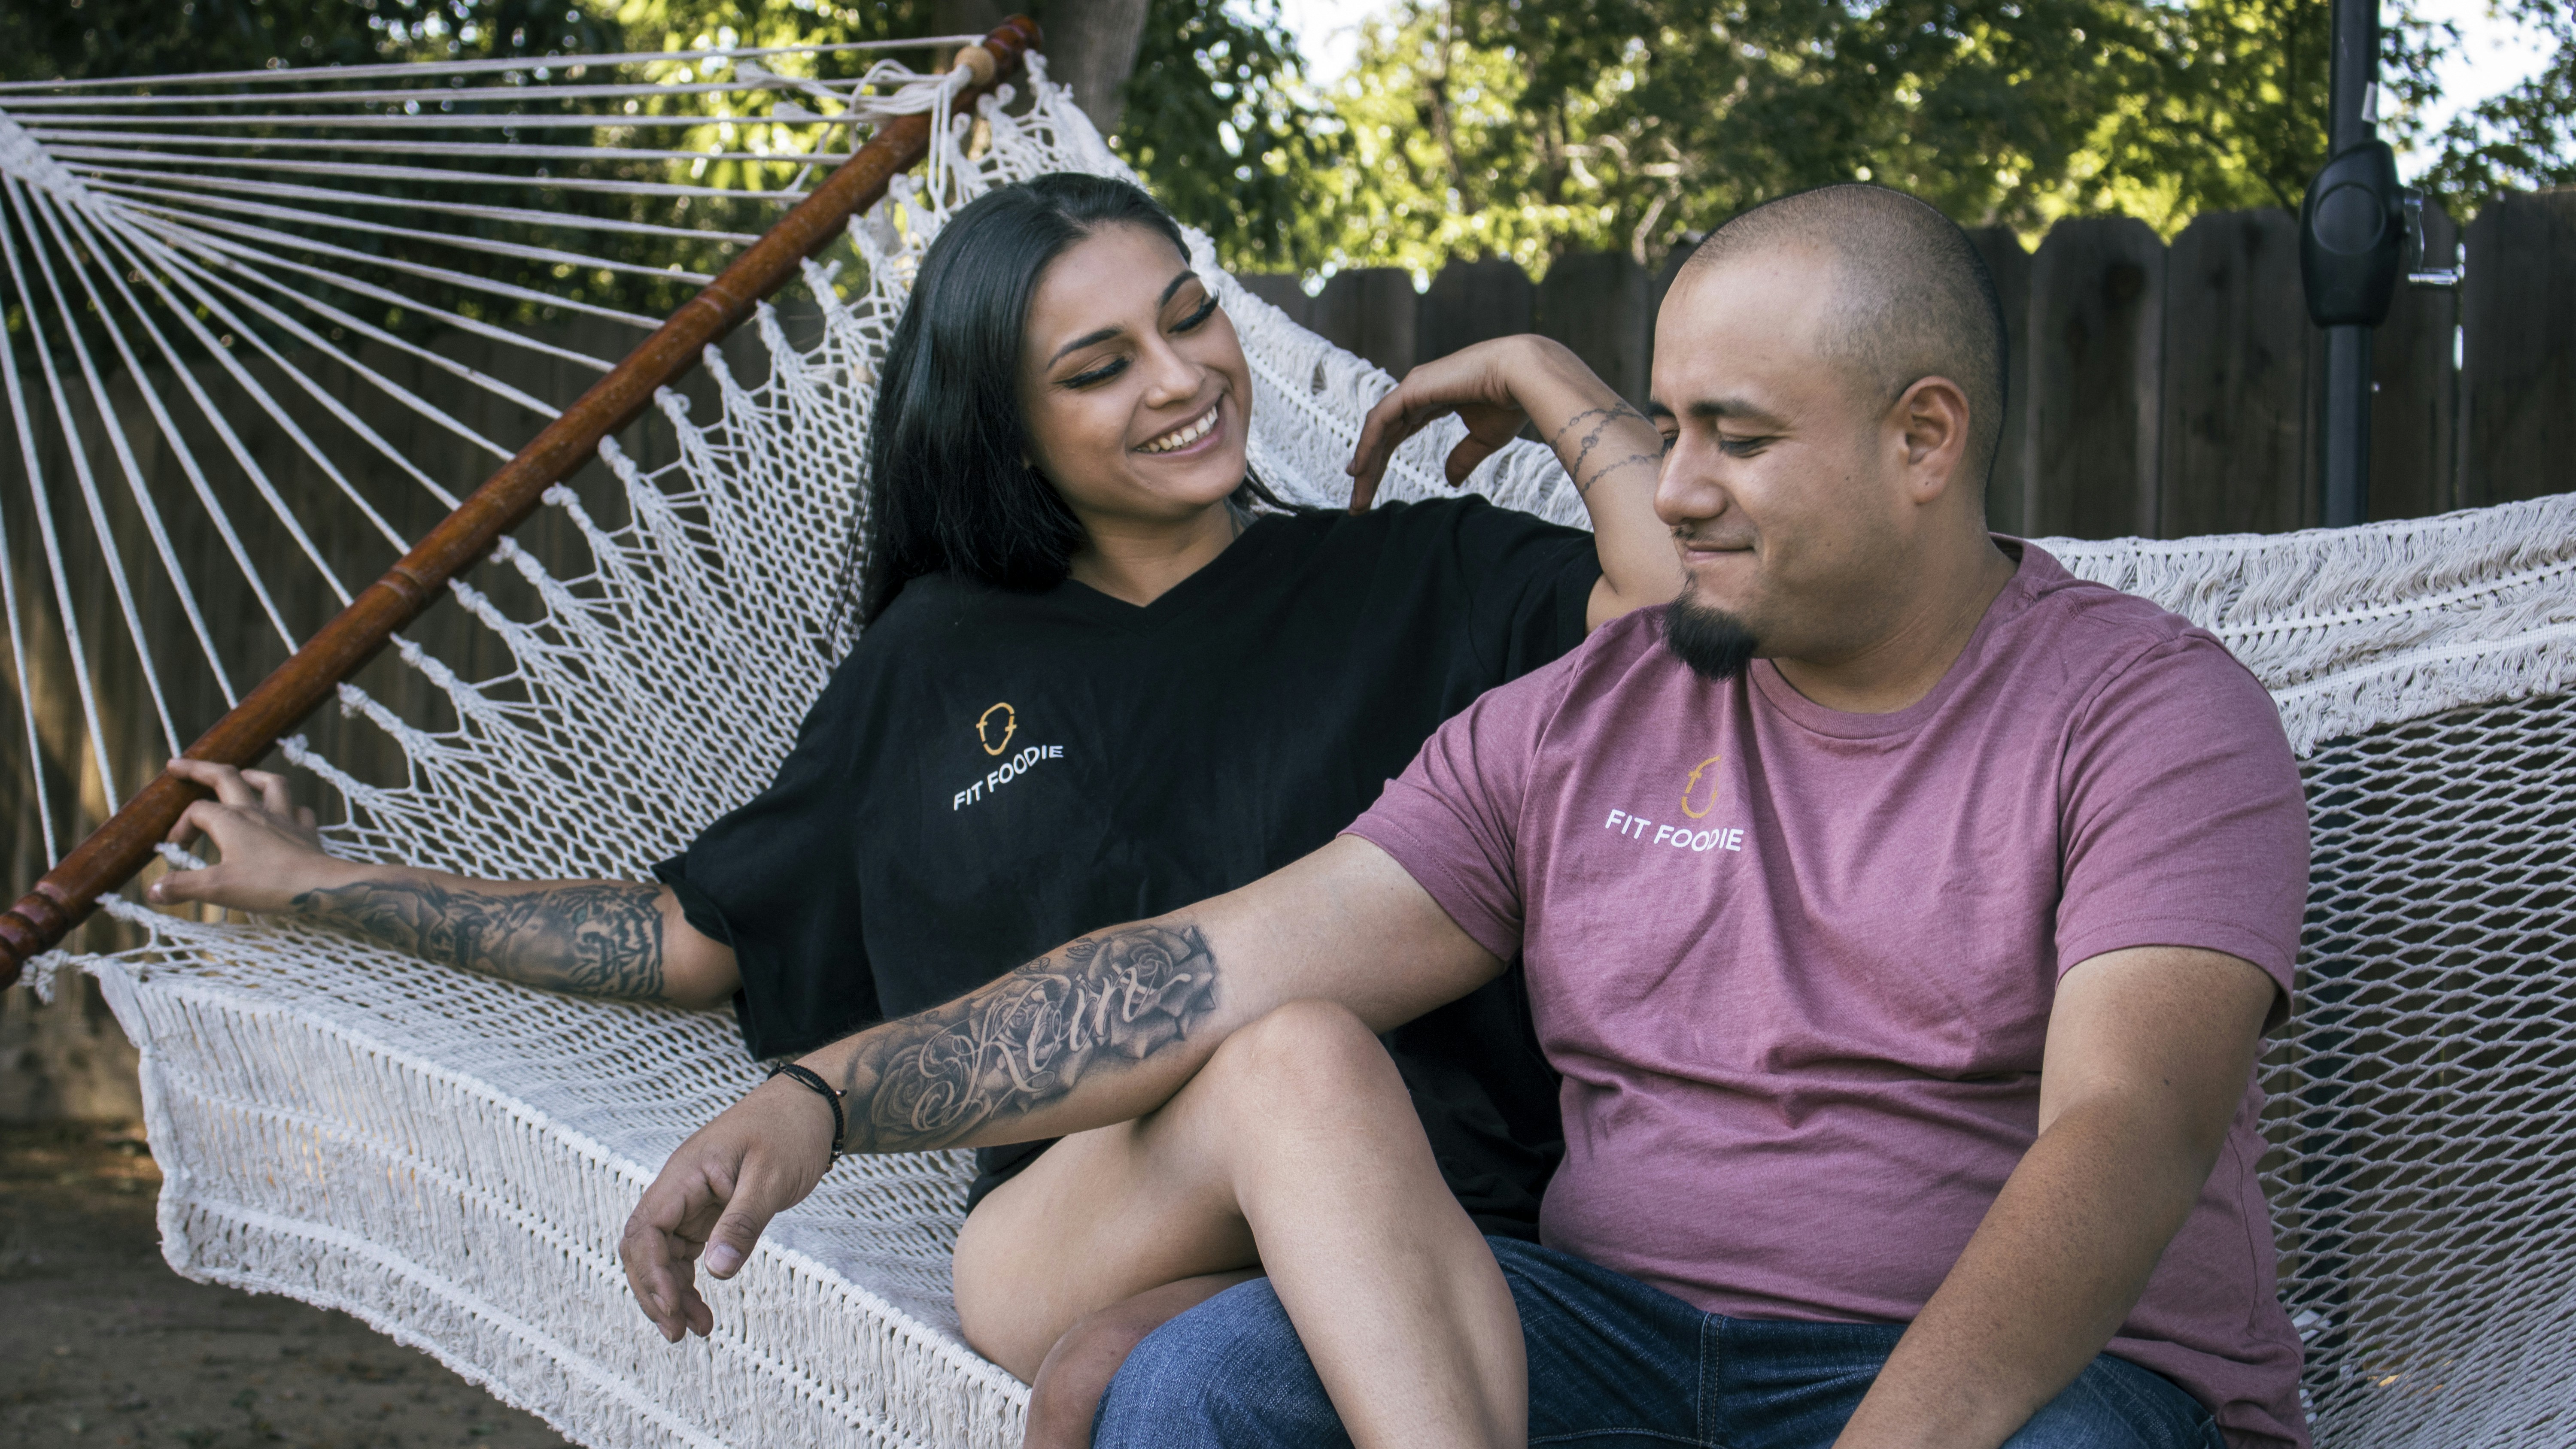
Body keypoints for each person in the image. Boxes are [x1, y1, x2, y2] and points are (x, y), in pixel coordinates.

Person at [622, 182, 2312, 1449]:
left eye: (1729, 438)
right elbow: (1202, 977)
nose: (1679, 484)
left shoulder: (2149, 713)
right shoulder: (1576, 721)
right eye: (1663, 427)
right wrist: (824, 1102)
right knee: (1200, 1386)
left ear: (1922, 439)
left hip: (1997, 1373)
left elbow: (2129, 1136)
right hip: (1602, 1335)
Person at [144, 173, 1684, 1443]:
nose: (1181, 379)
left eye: (1188, 315)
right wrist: (306, 881)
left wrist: (1559, 384)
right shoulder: (938, 661)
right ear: (1010, 431)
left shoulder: (1421, 575)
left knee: (1115, 1388)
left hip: (1432, 1206)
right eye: (1098, 369)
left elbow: (1691, 655)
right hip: (1080, 1215)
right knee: (1291, 1051)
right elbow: (692, 934)